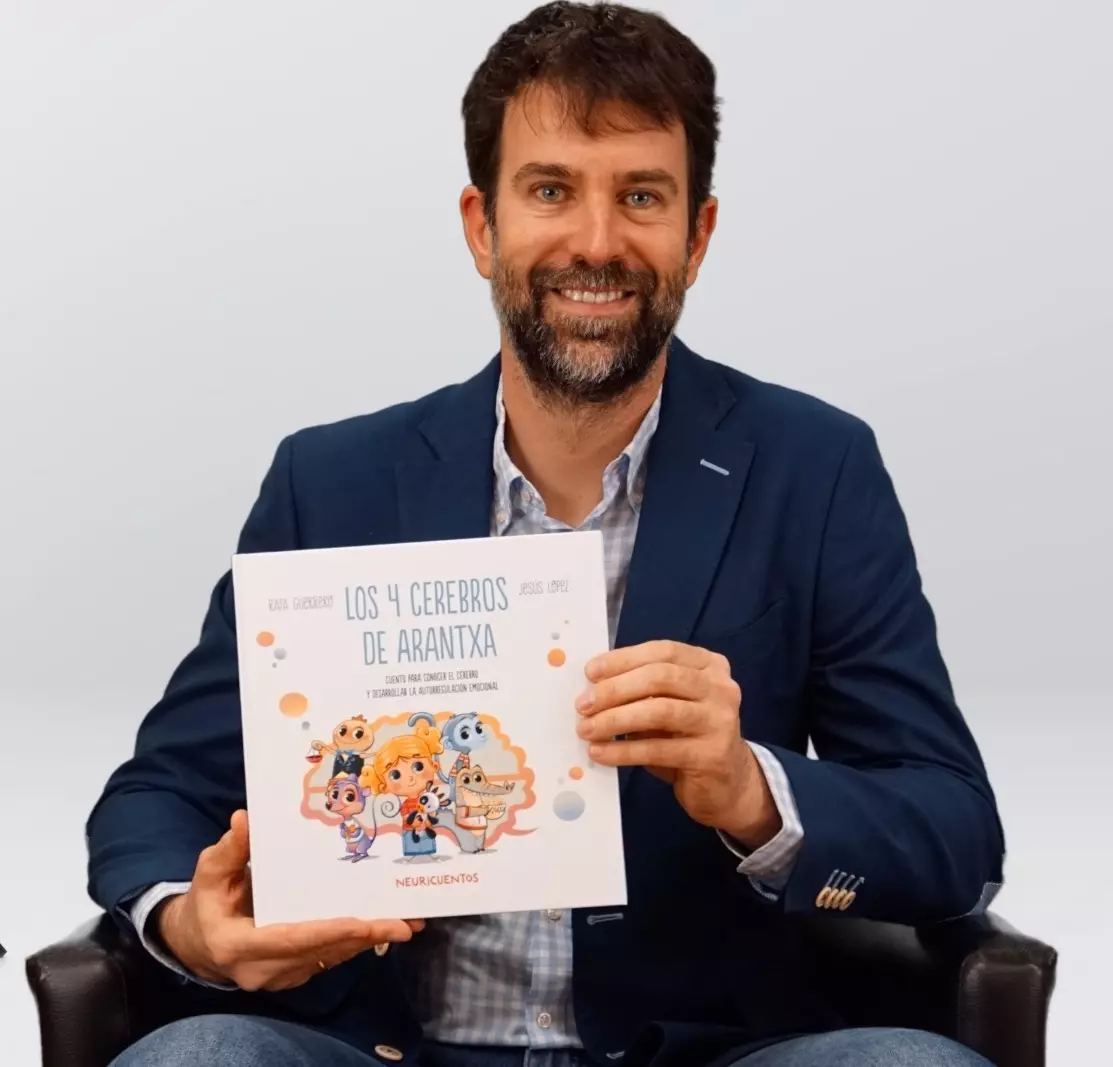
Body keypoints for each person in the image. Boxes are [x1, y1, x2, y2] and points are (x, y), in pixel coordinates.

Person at [86, 3, 1006, 1066]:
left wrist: (754, 792)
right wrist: (189, 923)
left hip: (700, 1050)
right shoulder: (328, 481)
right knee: (197, 1054)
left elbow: (953, 828)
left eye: (641, 196)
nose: (598, 243)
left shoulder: (816, 468)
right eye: (552, 190)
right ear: (483, 226)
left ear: (698, 234)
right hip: (386, 1049)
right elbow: (159, 793)